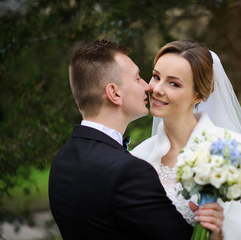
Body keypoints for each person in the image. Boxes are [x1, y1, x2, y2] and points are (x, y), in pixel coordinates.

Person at [131, 40, 241, 239]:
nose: (157, 89)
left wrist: (225, 229)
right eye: (156, 77)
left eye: (174, 83)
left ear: (198, 95)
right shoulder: (137, 157)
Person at [48, 40, 193, 239]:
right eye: (137, 78)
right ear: (114, 93)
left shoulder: (61, 160)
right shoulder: (130, 172)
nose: (147, 87)